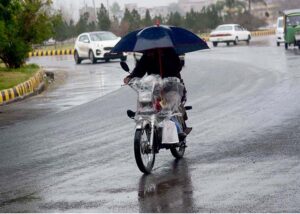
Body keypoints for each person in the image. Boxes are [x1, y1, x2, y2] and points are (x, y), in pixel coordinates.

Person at [124, 47, 191, 139]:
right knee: (145, 99)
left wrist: (163, 57)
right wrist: (131, 77)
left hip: (173, 86)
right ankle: (140, 113)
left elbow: (177, 67)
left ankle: (178, 131)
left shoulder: (170, 52)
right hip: (154, 87)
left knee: (168, 106)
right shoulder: (147, 55)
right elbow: (140, 69)